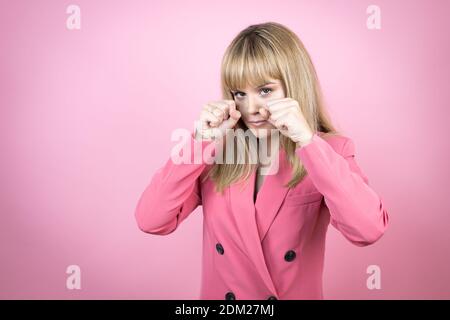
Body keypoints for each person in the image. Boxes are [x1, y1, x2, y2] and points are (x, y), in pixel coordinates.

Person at [134, 21, 389, 300]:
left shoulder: (330, 150)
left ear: (294, 85)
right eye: (239, 94)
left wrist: (307, 141)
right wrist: (201, 141)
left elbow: (368, 229)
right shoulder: (216, 150)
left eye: (265, 90)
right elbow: (151, 220)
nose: (251, 108)